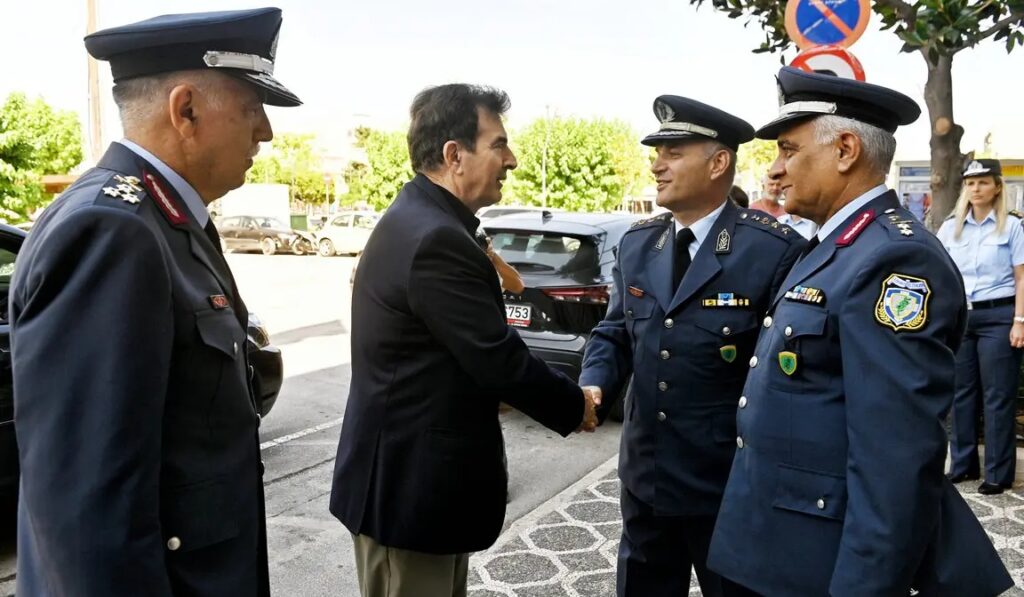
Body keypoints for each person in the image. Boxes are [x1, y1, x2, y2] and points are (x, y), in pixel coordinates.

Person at [9, 8, 300, 596]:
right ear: (185, 109)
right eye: (252, 108)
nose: (266, 132)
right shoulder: (113, 230)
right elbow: (89, 514)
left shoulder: (163, 221)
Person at [707, 67, 1012, 596]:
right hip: (778, 536)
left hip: (823, 556)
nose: (775, 170)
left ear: (845, 149)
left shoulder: (893, 258)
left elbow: (894, 458)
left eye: (788, 150)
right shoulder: (837, 245)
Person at [330, 84, 598, 597]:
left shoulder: (427, 219)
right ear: (454, 155)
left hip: (422, 493)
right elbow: (496, 358)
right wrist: (575, 405)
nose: (511, 160)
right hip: (408, 498)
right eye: (499, 144)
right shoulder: (436, 237)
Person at [579, 95, 805, 597]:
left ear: (718, 163)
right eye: (657, 154)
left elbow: (784, 376)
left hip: (725, 482)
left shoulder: (771, 249)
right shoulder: (638, 243)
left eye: (673, 153)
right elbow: (615, 332)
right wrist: (593, 385)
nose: (657, 165)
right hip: (647, 476)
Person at [938, 158, 1024, 495]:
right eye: (971, 183)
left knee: (997, 396)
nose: (976, 188)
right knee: (961, 394)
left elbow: (1021, 278)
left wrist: (1020, 321)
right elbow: (941, 274)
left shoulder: (1012, 226)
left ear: (997, 187)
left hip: (999, 317)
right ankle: (962, 465)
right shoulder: (950, 227)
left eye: (984, 182)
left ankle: (998, 474)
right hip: (962, 317)